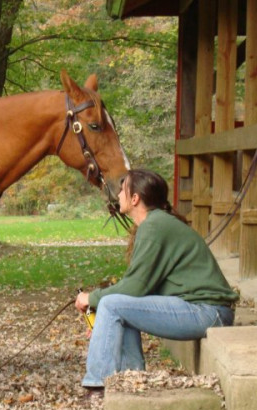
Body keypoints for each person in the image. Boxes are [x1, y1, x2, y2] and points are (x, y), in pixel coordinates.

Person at [75, 168, 238, 395]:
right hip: (203, 309)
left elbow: (134, 288)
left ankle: (97, 385)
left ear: (135, 198)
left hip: (208, 312)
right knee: (117, 306)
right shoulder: (155, 224)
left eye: (123, 190)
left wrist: (90, 299)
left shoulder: (154, 226)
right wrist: (103, 324)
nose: (118, 195)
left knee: (113, 304)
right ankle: (131, 378)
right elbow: (135, 289)